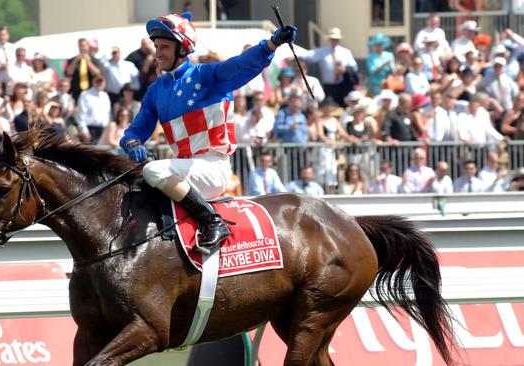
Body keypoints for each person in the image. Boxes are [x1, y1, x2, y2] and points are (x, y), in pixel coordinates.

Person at [119, 11, 297, 253]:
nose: (157, 53)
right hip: (184, 172)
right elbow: (133, 133)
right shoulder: (156, 90)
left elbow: (241, 64)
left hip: (213, 168)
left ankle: (213, 221)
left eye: (163, 47)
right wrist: (132, 145)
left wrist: (271, 44)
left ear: (182, 49)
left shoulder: (208, 76)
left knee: (154, 169)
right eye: (156, 46)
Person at [301, 27, 358, 106]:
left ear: (339, 40)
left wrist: (345, 70)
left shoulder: (345, 52)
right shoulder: (322, 52)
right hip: (329, 86)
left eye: (336, 39)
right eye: (332, 39)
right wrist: (294, 55)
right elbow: (308, 56)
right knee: (329, 106)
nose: (334, 41)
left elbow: (354, 67)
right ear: (329, 39)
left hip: (342, 85)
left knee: (343, 106)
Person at [76, 76, 111, 144]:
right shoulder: (85, 94)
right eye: (97, 81)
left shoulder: (105, 96)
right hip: (89, 130)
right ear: (93, 82)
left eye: (101, 82)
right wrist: (83, 130)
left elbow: (108, 114)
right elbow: (80, 114)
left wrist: (107, 130)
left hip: (103, 130)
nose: (99, 83)